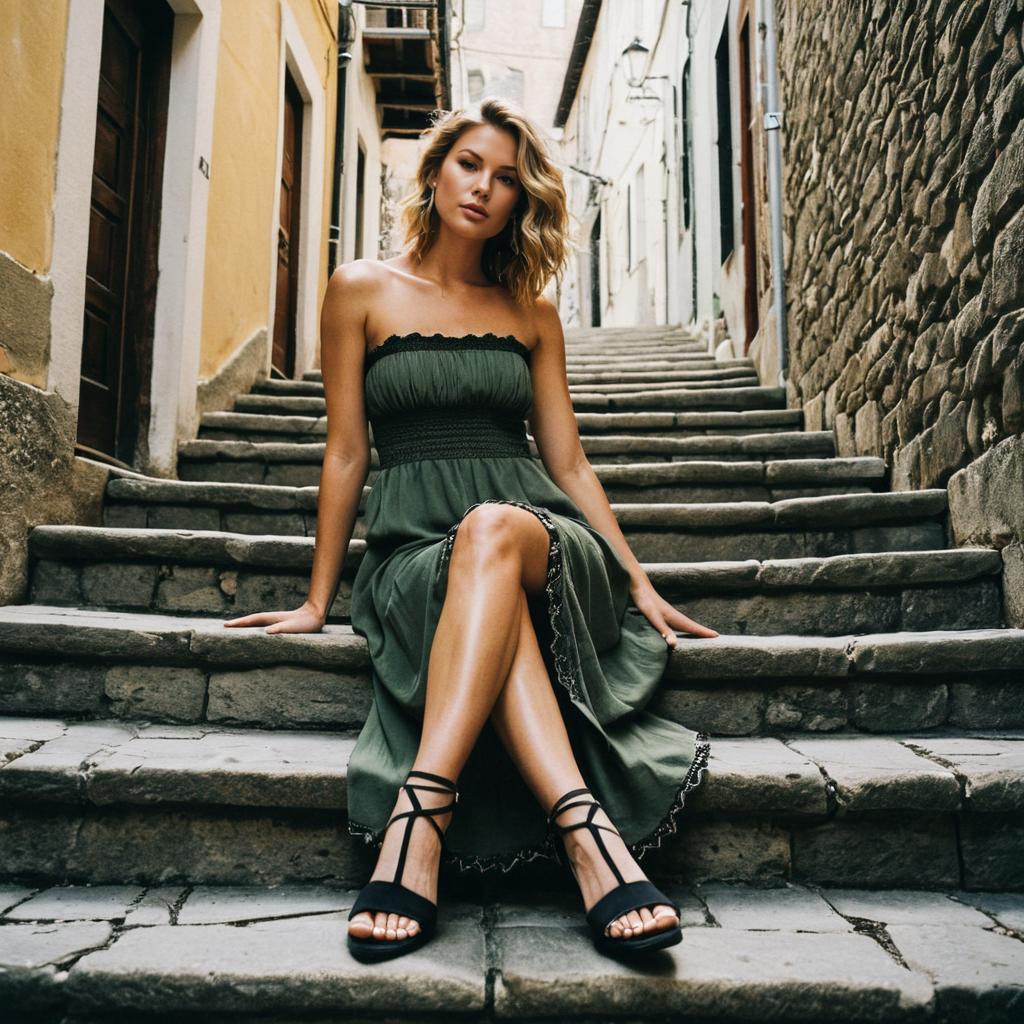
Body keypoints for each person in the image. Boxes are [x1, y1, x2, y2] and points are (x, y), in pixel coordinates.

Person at [225, 98, 717, 964]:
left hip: (540, 538)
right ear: (436, 167)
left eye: (505, 179)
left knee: (492, 532)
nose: (484, 189)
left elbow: (568, 465)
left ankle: (419, 819)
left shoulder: (530, 311)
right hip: (416, 553)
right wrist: (316, 600)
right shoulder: (360, 289)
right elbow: (346, 453)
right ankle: (587, 838)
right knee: (483, 581)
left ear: (522, 202)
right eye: (469, 165)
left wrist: (638, 582)